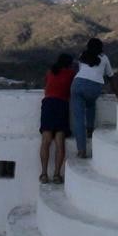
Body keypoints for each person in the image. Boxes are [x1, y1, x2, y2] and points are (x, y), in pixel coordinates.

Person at [71, 38, 118, 158]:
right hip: (94, 87)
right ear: (101, 47)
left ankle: (81, 151)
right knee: (90, 103)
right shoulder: (104, 58)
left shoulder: (82, 56)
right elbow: (111, 77)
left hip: (77, 84)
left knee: (78, 119)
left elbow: (82, 72)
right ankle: (90, 130)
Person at [39, 53, 77, 184]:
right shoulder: (71, 73)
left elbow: (47, 86)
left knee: (46, 140)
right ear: (69, 63)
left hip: (48, 104)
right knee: (59, 141)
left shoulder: (50, 71)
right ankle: (56, 175)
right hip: (61, 105)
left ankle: (44, 174)